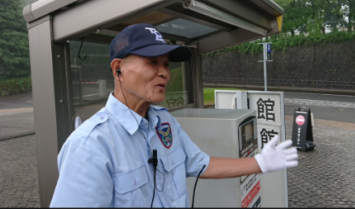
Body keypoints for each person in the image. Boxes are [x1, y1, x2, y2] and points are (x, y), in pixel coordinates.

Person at [50, 23, 298, 207]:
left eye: (166, 64)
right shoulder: (90, 146)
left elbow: (200, 163)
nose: (165, 74)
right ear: (118, 69)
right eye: (152, 62)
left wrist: (260, 163)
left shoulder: (164, 121)